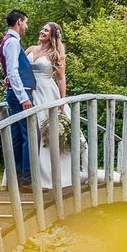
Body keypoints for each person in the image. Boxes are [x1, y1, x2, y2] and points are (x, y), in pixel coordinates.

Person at [26, 22, 86, 188]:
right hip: (30, 92)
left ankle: (52, 176)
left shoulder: (55, 54)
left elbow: (60, 78)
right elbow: (21, 68)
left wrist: (61, 101)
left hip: (47, 93)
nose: (42, 31)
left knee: (48, 131)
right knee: (30, 132)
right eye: (42, 28)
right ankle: (28, 175)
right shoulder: (30, 49)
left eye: (46, 30)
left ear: (52, 36)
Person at [0, 10, 36, 189]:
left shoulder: (8, 40)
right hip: (20, 94)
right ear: (19, 22)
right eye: (25, 22)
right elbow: (13, 72)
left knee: (18, 137)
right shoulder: (13, 42)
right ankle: (26, 180)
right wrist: (23, 97)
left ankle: (17, 178)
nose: (26, 26)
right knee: (28, 135)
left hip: (15, 94)